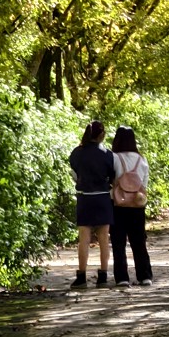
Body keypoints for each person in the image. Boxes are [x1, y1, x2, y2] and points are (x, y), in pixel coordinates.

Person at [68, 120, 114, 289]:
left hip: (85, 198)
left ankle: (81, 277)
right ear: (101, 135)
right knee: (103, 239)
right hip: (102, 198)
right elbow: (113, 175)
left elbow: (74, 173)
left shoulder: (77, 153)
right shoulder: (108, 154)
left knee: (84, 240)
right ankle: (103, 276)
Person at [109, 125, 154, 287]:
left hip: (117, 205)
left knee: (118, 243)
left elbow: (108, 179)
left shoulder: (114, 158)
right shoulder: (141, 159)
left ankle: (122, 278)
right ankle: (145, 276)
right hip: (137, 204)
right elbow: (144, 183)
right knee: (139, 242)